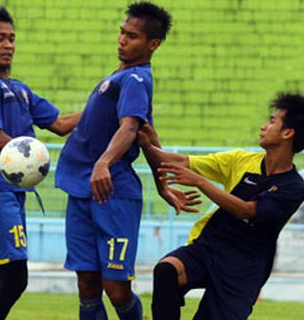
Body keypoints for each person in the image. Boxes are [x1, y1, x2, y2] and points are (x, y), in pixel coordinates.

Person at [140, 92, 304, 319]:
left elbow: (246, 211)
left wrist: (199, 182)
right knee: (166, 270)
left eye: (272, 121)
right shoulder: (241, 160)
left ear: (288, 133)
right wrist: (146, 142)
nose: (264, 126)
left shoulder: (293, 187)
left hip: (243, 268)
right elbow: (177, 162)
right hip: (209, 247)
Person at [54, 2, 181, 319]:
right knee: (86, 282)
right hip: (83, 190)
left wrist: (103, 162)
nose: (122, 40)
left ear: (153, 44)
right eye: (122, 32)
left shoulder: (137, 79)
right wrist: (162, 182)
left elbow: (130, 128)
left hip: (112, 191)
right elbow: (148, 134)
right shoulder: (118, 76)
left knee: (115, 285)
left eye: (132, 36)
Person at [0, 6, 81, 320]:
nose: (9, 45)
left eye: (12, 38)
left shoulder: (20, 89)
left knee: (6, 281)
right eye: (0, 38)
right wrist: (29, 153)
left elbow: (62, 124)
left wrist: (103, 104)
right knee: (14, 280)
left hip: (10, 193)